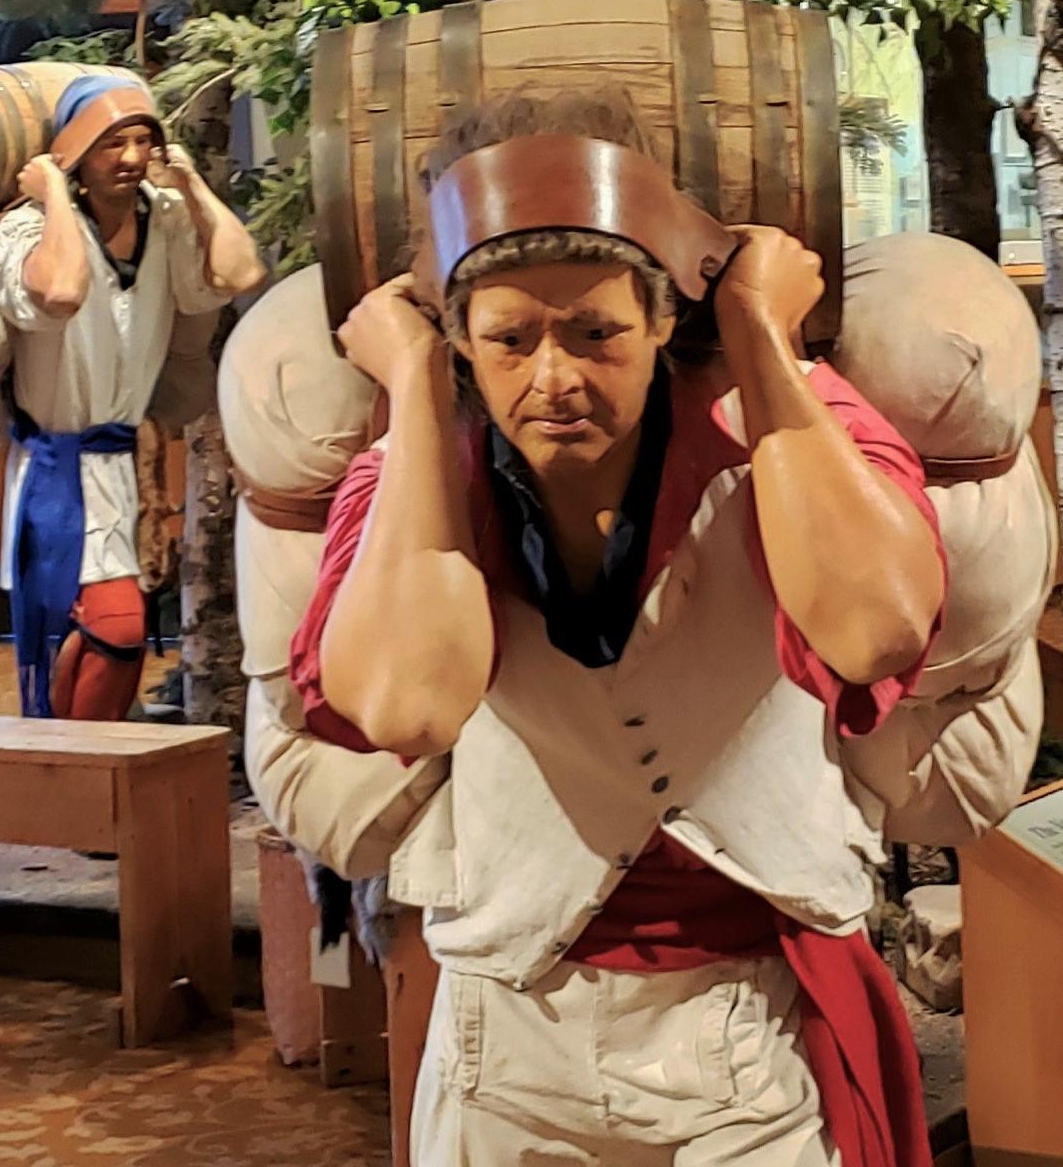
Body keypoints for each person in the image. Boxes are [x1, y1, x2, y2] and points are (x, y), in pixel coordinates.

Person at [289, 91, 947, 1166]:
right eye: (506, 338)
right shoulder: (413, 480)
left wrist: (757, 333)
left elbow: (871, 629)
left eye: (594, 331)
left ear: (659, 319)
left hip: (745, 1032)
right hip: (507, 1027)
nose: (552, 378)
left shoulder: (782, 437)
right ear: (457, 336)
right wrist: (412, 380)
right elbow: (407, 701)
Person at [0, 75, 265, 720]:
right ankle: (70, 768)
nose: (133, 157)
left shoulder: (163, 220)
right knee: (112, 624)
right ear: (78, 151)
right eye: (113, 142)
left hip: (126, 470)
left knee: (113, 642)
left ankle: (75, 772)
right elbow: (60, 291)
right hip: (57, 474)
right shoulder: (30, 229)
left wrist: (192, 186)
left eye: (145, 141)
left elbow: (240, 273)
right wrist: (55, 192)